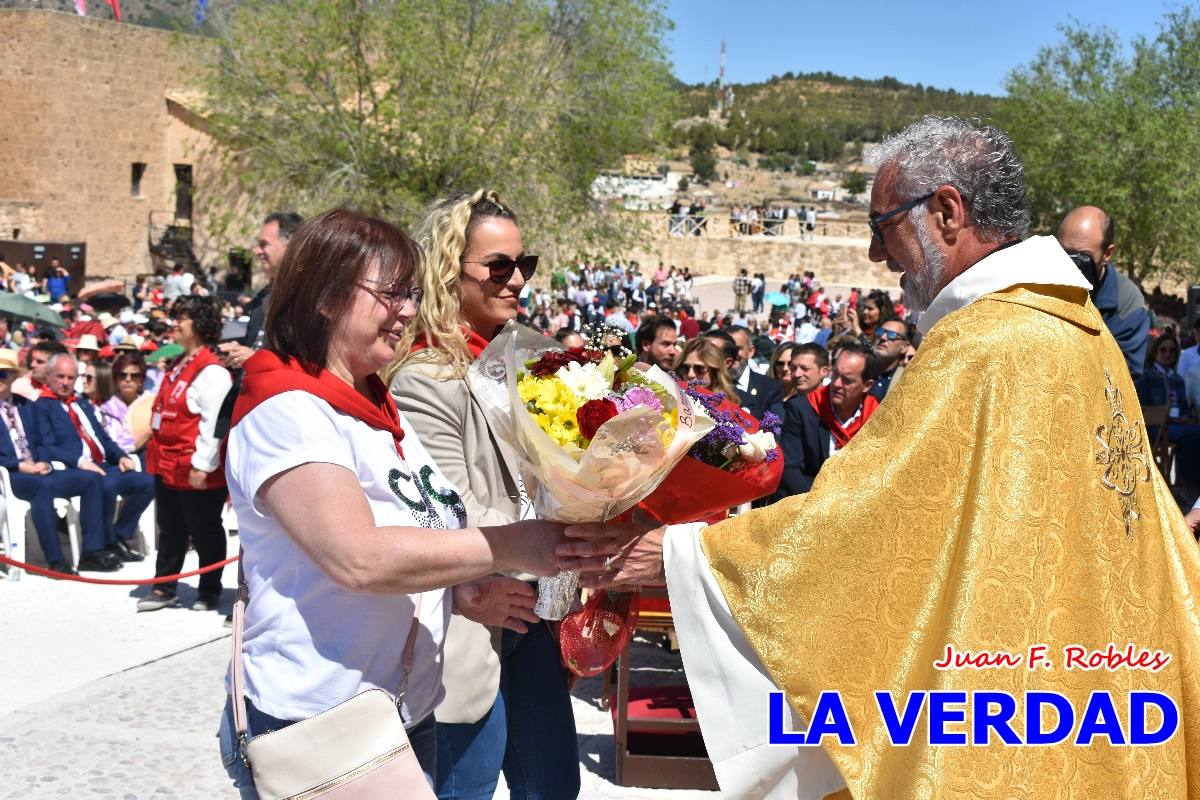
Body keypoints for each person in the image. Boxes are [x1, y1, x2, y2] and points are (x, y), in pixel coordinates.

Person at [557, 116, 1200, 798]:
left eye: (881, 224)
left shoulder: (985, 346)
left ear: (946, 212)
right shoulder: (1080, 330)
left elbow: (867, 527)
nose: (872, 253)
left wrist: (681, 556)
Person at [218, 207, 565, 798]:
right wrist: (509, 546)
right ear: (327, 296)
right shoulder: (288, 408)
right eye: (389, 294)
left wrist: (460, 588)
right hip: (323, 718)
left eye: (410, 292)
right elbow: (358, 557)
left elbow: (425, 519)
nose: (407, 310)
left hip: (399, 708)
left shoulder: (375, 405)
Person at [386, 192, 580, 800]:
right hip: (468, 615)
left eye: (525, 264)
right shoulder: (424, 374)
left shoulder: (530, 358)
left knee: (552, 786)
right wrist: (561, 536)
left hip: (530, 612)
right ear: (449, 269)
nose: (517, 279)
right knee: (462, 786)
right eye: (499, 266)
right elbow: (449, 510)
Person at [138, 297, 234, 613]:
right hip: (167, 463)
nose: (175, 323)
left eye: (183, 318)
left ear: (200, 323)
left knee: (205, 529)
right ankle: (164, 587)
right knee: (170, 527)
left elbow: (212, 422)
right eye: (174, 317)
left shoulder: (212, 371)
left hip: (193, 465)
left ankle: (209, 589)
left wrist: (203, 465)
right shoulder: (180, 362)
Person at [31, 353, 154, 564]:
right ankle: (98, 547)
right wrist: (79, 461)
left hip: (104, 464)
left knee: (148, 482)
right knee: (104, 484)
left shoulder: (82, 405)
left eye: (70, 378)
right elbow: (47, 447)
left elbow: (104, 439)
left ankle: (118, 535)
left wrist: (122, 456)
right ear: (49, 376)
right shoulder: (42, 406)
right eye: (60, 377)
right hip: (78, 468)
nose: (65, 382)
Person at [0, 348, 110, 574]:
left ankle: (92, 551)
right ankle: (55, 559)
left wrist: (45, 463)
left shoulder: (25, 405)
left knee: (90, 479)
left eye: (3, 375)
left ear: (12, 378)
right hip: (10, 474)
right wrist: (21, 466)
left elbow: (41, 442)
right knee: (44, 486)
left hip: (39, 469)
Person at [1056, 205, 1149, 380]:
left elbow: (1123, 376)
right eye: (1064, 253)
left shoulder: (1128, 304)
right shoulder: (1038, 284)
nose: (1070, 264)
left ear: (1107, 253)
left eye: (1081, 256)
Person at [217, 211, 304, 369]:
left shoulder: (311, 299)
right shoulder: (264, 295)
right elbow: (255, 341)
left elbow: (311, 368)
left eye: (264, 244)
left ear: (292, 246)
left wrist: (258, 359)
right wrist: (235, 348)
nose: (257, 251)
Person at [726, 326, 785, 422]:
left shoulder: (771, 388)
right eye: (727, 349)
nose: (732, 354)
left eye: (738, 349)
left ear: (750, 351)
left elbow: (775, 429)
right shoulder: (710, 385)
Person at [96, 352, 150, 455]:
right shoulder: (106, 411)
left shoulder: (151, 403)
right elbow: (120, 447)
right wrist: (148, 432)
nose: (128, 379)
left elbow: (157, 425)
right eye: (122, 375)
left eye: (134, 376)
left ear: (141, 381)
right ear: (116, 380)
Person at [868, 318, 910, 400]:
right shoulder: (859, 369)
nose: (883, 337)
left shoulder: (905, 384)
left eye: (892, 334)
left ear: (904, 347)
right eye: (880, 331)